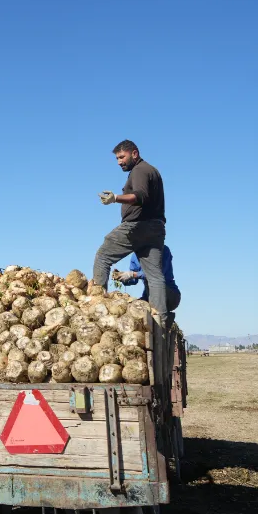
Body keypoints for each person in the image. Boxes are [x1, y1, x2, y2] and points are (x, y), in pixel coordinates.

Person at [92, 139, 171, 385]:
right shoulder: (153, 171)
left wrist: (115, 198)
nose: (119, 162)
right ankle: (160, 320)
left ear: (134, 153)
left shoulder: (139, 170)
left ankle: (96, 306)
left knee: (103, 255)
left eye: (122, 157)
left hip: (138, 227)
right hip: (157, 228)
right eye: (117, 159)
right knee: (155, 274)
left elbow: (140, 196)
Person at [112, 245, 181, 317]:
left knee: (153, 282)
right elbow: (133, 280)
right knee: (133, 307)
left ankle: (161, 322)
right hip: (149, 296)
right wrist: (122, 277)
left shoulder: (162, 250)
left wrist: (132, 274)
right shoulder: (135, 255)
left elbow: (157, 274)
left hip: (170, 295)